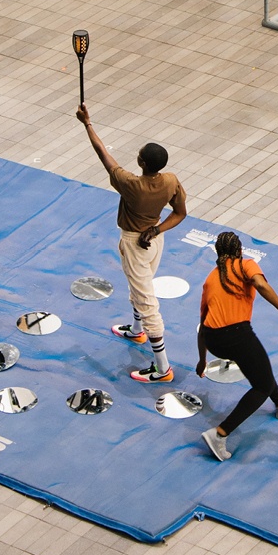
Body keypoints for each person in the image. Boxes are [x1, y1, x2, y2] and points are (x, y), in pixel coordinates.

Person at [76, 103, 187, 384]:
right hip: (154, 238)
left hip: (134, 244)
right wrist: (158, 228)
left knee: (147, 302)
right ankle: (136, 331)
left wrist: (87, 123)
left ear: (143, 164)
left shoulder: (130, 184)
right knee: (139, 287)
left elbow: (104, 154)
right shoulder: (171, 180)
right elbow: (180, 213)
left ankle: (162, 368)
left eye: (138, 155)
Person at [194, 232, 278, 462]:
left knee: (260, 367)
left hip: (213, 340)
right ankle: (220, 434)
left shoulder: (210, 279)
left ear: (219, 254)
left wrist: (202, 360)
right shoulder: (245, 265)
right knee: (262, 385)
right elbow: (260, 284)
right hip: (236, 335)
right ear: (240, 251)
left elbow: (202, 324)